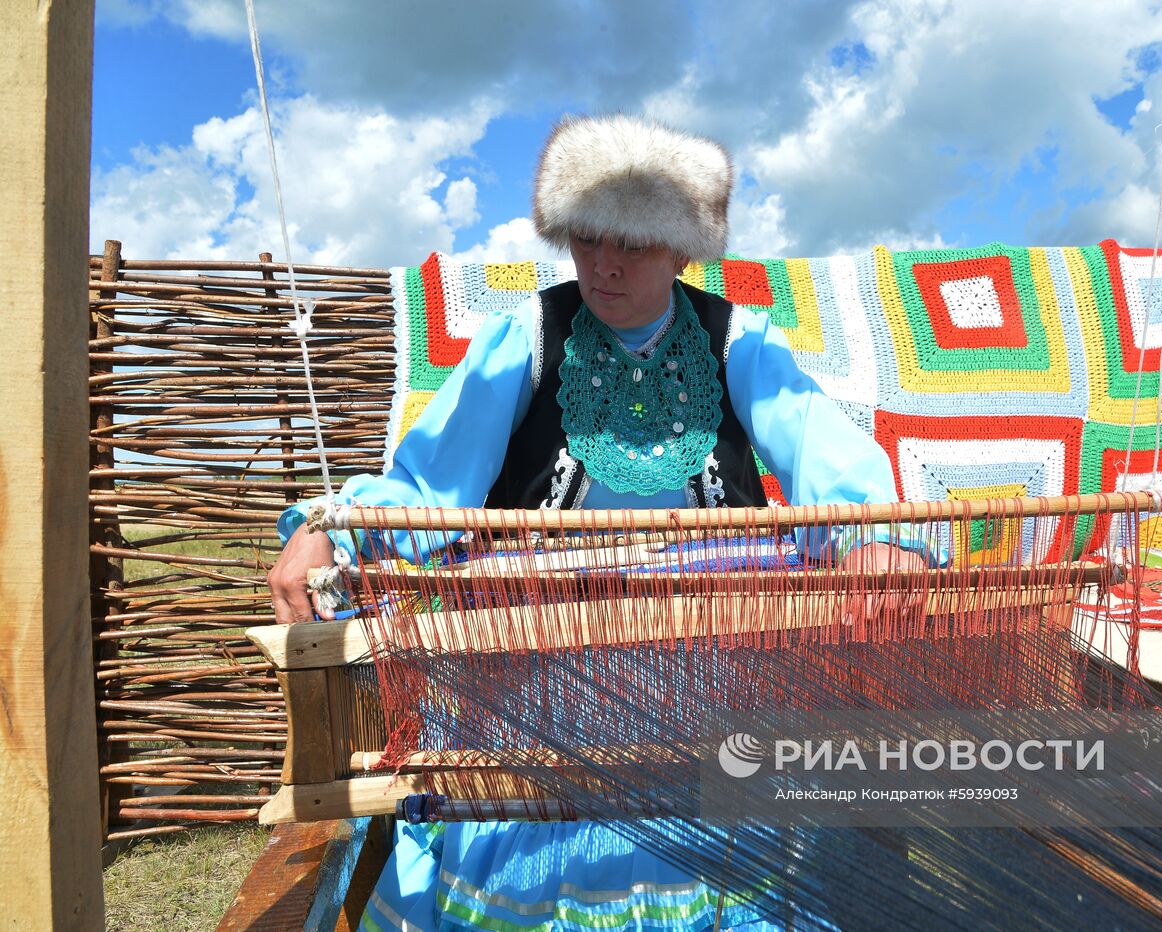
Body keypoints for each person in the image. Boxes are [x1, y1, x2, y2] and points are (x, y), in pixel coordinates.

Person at [268, 114, 928, 931]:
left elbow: (829, 458)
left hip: (709, 667)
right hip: (536, 672)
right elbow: (428, 485)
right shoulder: (530, 341)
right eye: (588, 239)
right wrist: (335, 527)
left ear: (683, 250)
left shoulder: (735, 344)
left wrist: (877, 537)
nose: (604, 266)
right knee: (525, 826)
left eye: (634, 246)